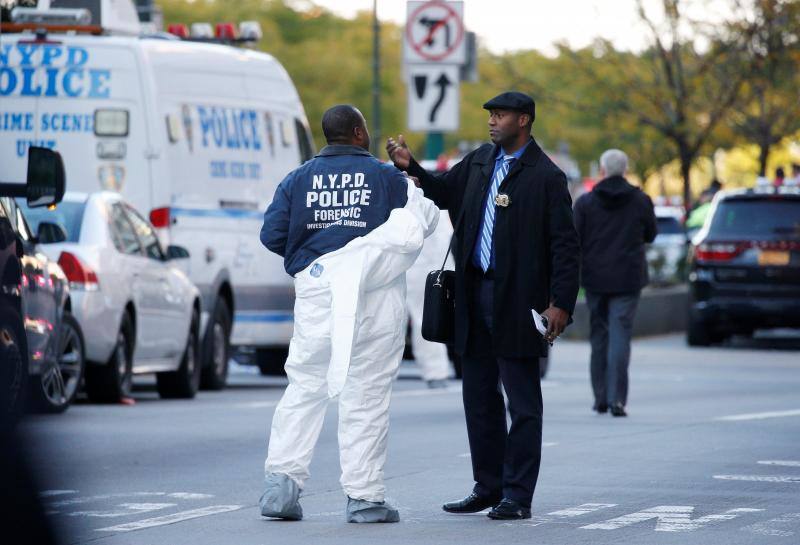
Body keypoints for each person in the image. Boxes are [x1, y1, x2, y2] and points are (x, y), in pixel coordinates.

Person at [386, 91, 580, 520]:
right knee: (478, 397)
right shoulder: (478, 161)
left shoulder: (545, 176)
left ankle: (517, 496)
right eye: (490, 114)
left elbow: (566, 246)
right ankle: (487, 486)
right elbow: (442, 192)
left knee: (523, 402)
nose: (492, 121)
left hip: (519, 302)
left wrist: (561, 304)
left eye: (501, 115)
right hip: (474, 296)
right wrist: (412, 166)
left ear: (525, 120)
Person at [259, 105, 439, 523]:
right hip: (375, 298)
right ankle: (364, 497)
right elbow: (420, 220)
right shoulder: (385, 177)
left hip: (318, 293)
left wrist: (313, 250)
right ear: (359, 132)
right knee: (367, 394)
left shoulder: (297, 179)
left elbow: (272, 235)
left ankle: (280, 489)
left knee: (305, 386)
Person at [573, 149, 657, 418]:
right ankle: (617, 399)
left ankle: (600, 397)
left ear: (601, 170)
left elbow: (575, 240)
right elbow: (651, 234)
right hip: (628, 278)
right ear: (625, 170)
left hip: (595, 278)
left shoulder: (585, 203)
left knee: (599, 337)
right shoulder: (641, 200)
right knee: (620, 336)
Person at [406, 209, 454, 388]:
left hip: (424, 267)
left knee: (423, 319)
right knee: (420, 319)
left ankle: (436, 371)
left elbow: (444, 241)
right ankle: (435, 371)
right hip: (417, 266)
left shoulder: (431, 204)